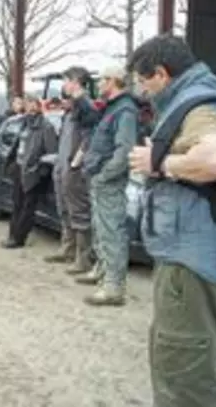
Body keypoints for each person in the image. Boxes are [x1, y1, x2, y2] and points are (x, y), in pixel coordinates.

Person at [127, 35, 216, 405]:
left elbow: (213, 160)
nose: (142, 91)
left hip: (192, 264)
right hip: (198, 256)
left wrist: (159, 164)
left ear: (162, 74)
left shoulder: (198, 104)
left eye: (143, 81)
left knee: (183, 369)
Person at [79, 64, 139, 306]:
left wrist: (105, 175)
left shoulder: (125, 111)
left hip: (109, 181)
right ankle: (102, 270)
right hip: (100, 177)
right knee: (101, 228)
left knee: (112, 231)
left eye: (102, 79)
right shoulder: (112, 108)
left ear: (113, 81)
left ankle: (114, 287)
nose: (99, 84)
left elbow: (124, 150)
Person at [44, 67, 99, 273]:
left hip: (74, 167)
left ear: (75, 81)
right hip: (62, 164)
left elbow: (89, 138)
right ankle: (67, 248)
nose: (63, 85)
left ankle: (83, 258)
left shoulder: (86, 106)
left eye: (66, 80)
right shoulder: (72, 108)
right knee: (64, 207)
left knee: (79, 210)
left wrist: (77, 161)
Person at [2, 96, 58, 249]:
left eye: (34, 105)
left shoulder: (46, 127)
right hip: (20, 168)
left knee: (28, 207)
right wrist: (12, 164)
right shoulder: (23, 124)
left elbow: (51, 153)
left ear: (40, 107)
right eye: (28, 105)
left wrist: (41, 172)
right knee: (17, 203)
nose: (31, 108)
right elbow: (16, 145)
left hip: (34, 171)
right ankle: (12, 234)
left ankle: (19, 238)